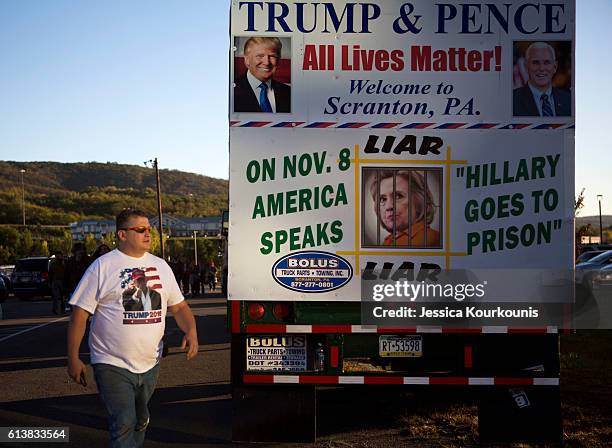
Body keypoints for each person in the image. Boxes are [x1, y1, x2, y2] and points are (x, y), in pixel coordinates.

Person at [67, 208, 198, 448]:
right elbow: (80, 313)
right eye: (140, 230)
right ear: (122, 235)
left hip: (150, 361)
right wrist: (73, 358)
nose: (148, 233)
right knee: (124, 421)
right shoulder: (102, 267)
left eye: (149, 229)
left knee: (140, 418)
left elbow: (179, 308)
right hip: (110, 362)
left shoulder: (161, 266)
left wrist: (191, 332)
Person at [370, 170, 440, 247]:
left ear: (419, 201)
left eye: (398, 196)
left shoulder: (433, 239)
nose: (388, 206)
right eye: (382, 199)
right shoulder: (388, 241)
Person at [233, 37, 291, 113]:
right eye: (260, 56)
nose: (266, 62)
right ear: (247, 60)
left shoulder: (289, 93)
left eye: (272, 56)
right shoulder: (231, 90)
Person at [513, 42, 571, 117]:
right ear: (526, 66)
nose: (541, 68)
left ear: (555, 67)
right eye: (535, 63)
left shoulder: (568, 99)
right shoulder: (512, 100)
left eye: (547, 62)